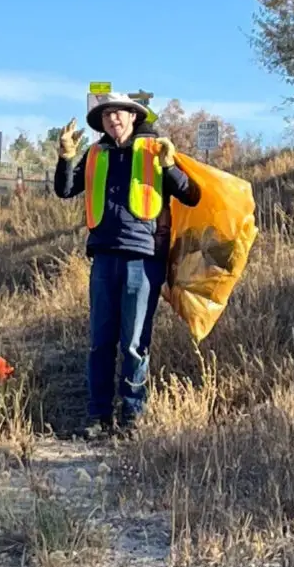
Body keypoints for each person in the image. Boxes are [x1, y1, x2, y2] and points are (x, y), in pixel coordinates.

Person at [54, 93, 201, 439]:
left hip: (143, 259)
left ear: (133, 117)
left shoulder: (155, 151)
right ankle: (98, 415)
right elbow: (64, 189)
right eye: (106, 116)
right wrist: (64, 157)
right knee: (100, 341)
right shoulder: (93, 155)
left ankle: (133, 415)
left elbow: (191, 195)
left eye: (119, 113)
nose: (112, 119)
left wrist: (169, 166)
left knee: (134, 343)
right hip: (104, 258)